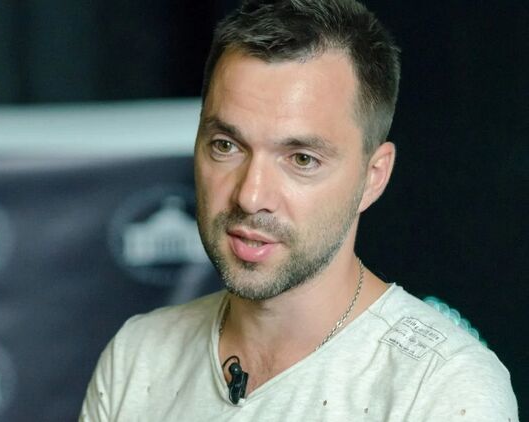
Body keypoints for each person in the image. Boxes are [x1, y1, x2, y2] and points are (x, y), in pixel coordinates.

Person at [80, 0, 519, 420]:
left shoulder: (442, 386)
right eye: (226, 146)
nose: (251, 196)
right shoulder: (138, 356)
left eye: (302, 159)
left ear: (373, 176)